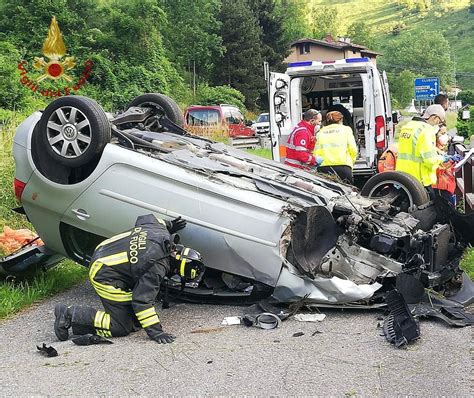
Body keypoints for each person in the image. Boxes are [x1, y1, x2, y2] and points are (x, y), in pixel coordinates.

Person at [54, 214, 204, 344]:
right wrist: (156, 332)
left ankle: (76, 319)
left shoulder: (160, 232)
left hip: (105, 250)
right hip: (103, 275)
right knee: (121, 326)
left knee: (136, 319)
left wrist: (170, 224)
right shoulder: (156, 268)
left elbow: (146, 218)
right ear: (177, 269)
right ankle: (69, 314)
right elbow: (141, 301)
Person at [396, 104, 446, 194]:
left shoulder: (408, 126)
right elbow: (430, 160)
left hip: (402, 178)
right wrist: (443, 158)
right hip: (419, 180)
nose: (438, 125)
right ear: (434, 117)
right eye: (439, 121)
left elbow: (413, 149)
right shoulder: (426, 130)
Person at [314, 110, 357, 184]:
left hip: (324, 168)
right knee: (348, 193)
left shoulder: (320, 132)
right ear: (341, 120)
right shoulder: (346, 130)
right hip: (343, 166)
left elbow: (315, 151)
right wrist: (351, 163)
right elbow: (353, 149)